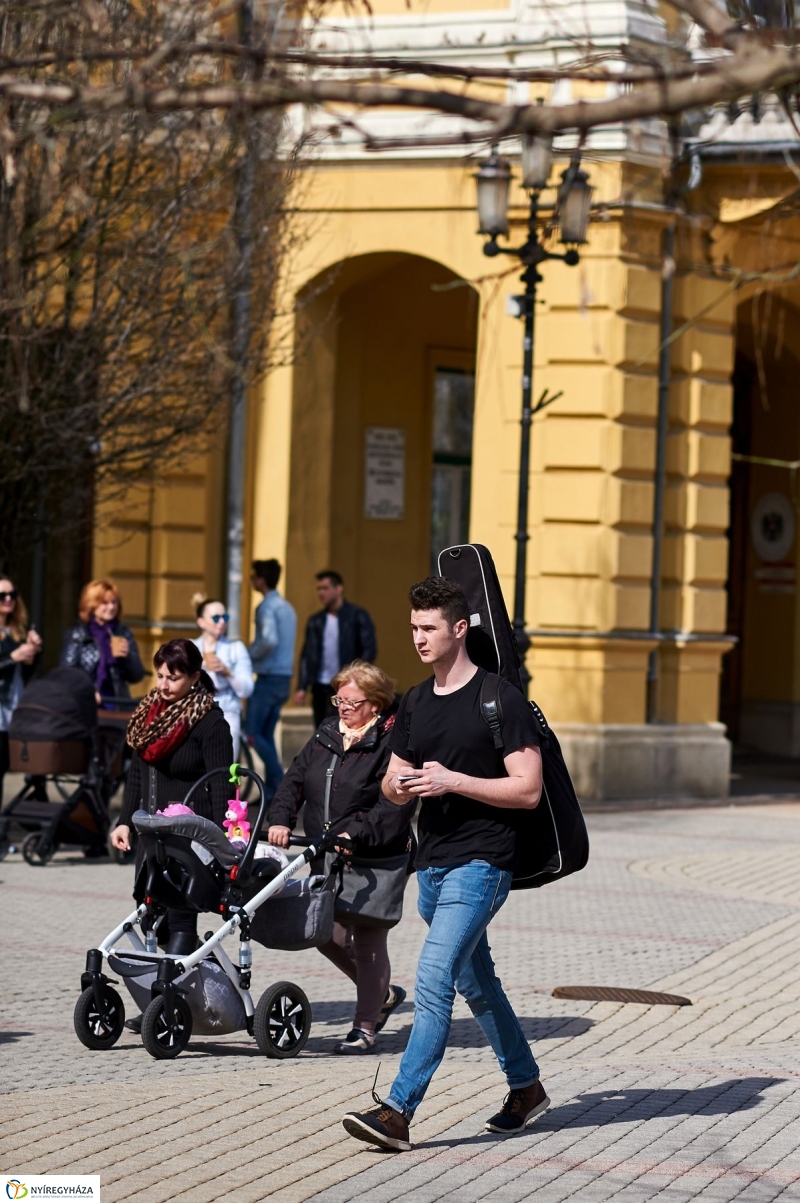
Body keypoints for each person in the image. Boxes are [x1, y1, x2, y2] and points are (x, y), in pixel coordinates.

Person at [342, 577, 548, 1152]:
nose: (419, 638)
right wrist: (401, 786)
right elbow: (392, 780)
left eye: (429, 627)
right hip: (430, 868)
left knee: (434, 981)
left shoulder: (498, 699)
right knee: (477, 983)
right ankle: (526, 1086)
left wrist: (452, 780)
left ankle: (397, 1111)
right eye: (413, 627)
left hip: (482, 865)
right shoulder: (414, 701)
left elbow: (528, 789)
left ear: (460, 629)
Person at [268, 661, 412, 1054]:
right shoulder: (327, 733)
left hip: (375, 857)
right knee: (322, 930)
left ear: (376, 704)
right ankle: (380, 993)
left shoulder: (392, 741)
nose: (342, 707)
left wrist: (357, 832)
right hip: (328, 852)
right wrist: (280, 819)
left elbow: (392, 803)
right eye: (339, 699)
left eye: (351, 701)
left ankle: (365, 1027)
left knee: (367, 941)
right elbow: (294, 778)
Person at [110, 638, 233, 1030]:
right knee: (151, 917)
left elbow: (222, 787)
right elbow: (137, 775)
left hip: (188, 838)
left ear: (195, 678)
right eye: (160, 675)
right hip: (150, 834)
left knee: (180, 921)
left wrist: (222, 842)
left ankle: (163, 1008)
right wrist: (124, 820)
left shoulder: (210, 722)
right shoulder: (149, 714)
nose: (163, 684)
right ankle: (195, 980)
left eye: (173, 678)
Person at [295, 570, 377, 728]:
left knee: (345, 728)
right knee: (321, 730)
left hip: (346, 685)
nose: (321, 593)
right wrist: (302, 687)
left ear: (339, 589)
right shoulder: (316, 621)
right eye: (318, 589)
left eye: (325, 588)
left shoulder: (357, 616)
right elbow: (307, 655)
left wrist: (357, 677)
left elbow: (369, 650)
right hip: (320, 687)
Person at [246, 559, 297, 800]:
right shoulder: (287, 607)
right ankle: (273, 787)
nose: (251, 581)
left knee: (254, 734)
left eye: (253, 577)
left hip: (267, 678)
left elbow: (268, 640)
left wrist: (247, 655)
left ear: (261, 580)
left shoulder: (266, 607)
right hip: (284, 677)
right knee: (266, 734)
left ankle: (279, 782)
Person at [60, 579, 144, 703]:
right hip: (86, 703)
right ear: (91, 605)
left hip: (116, 703)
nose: (111, 607)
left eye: (114, 602)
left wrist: (127, 658)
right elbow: (67, 674)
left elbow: (137, 676)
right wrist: (89, 691)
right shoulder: (78, 635)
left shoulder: (123, 633)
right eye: (104, 603)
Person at [192, 595, 253, 757]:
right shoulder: (190, 648)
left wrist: (228, 672)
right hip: (194, 711)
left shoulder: (235, 648)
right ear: (201, 622)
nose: (222, 622)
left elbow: (247, 689)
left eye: (225, 617)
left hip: (226, 710)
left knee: (225, 762)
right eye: (216, 618)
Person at [0, 578, 42, 803]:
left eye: (12, 595)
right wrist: (12, 658)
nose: (8, 599)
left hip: (12, 710)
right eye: (2, 595)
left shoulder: (14, 631)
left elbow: (25, 675)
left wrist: (33, 652)